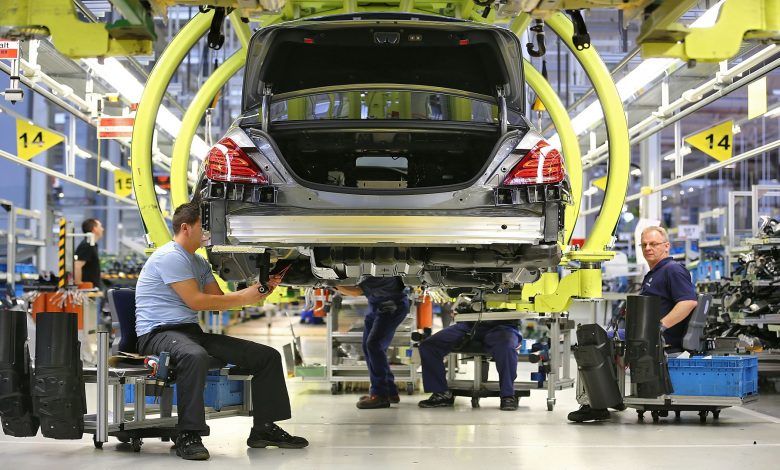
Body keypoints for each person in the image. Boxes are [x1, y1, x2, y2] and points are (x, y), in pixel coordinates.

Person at [134, 201, 308, 460]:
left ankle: (264, 428)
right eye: (203, 227)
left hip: (190, 332)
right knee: (194, 356)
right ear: (185, 228)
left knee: (267, 357)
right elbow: (196, 302)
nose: (209, 232)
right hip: (157, 334)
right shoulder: (170, 256)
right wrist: (245, 297)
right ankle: (188, 433)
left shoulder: (199, 262)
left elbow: (217, 301)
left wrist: (258, 288)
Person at [568, 225, 697, 422]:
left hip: (654, 338)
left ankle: (594, 405)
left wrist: (659, 327)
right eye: (644, 245)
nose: (648, 248)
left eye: (653, 244)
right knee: (595, 334)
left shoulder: (672, 270)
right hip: (642, 333)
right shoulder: (655, 272)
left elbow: (688, 302)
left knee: (592, 341)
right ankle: (611, 398)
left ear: (666, 246)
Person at [417, 298, 522, 411]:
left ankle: (507, 395)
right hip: (470, 323)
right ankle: (441, 393)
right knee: (429, 346)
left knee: (506, 347)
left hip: (503, 325)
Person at [335, 276, 410, 409]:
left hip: (391, 306)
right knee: (368, 346)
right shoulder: (368, 271)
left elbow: (356, 292)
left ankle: (380, 395)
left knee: (374, 345)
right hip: (376, 304)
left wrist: (331, 284)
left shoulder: (382, 269)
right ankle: (390, 391)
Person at [74, 218, 104, 288]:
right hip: (87, 289)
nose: (102, 229)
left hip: (92, 287)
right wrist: (80, 285)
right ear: (94, 229)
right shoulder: (87, 245)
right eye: (100, 227)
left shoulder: (92, 245)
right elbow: (77, 266)